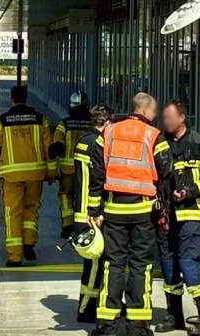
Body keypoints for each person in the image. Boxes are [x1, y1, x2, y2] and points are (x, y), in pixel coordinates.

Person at [89, 92, 174, 336]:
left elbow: (96, 174)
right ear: (145, 110)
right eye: (154, 112)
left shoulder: (108, 132)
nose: (155, 117)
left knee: (113, 265)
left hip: (114, 211)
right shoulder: (154, 135)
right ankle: (137, 325)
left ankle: (107, 325)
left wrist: (94, 209)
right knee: (141, 266)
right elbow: (167, 170)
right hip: (142, 212)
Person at [155, 99, 200, 336]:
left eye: (169, 117)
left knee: (188, 262)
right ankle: (174, 316)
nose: (165, 121)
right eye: (164, 117)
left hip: (190, 214)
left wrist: (190, 191)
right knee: (168, 265)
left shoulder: (198, 143)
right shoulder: (159, 142)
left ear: (182, 118)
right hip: (165, 216)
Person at [0, 85, 57, 266]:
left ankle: (15, 256)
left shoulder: (1, 122)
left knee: (13, 213)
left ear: (11, 99)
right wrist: (51, 172)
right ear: (27, 99)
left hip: (11, 176)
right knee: (31, 208)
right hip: (35, 174)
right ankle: (29, 245)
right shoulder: (41, 119)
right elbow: (50, 149)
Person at [72, 103, 114, 324]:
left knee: (91, 265)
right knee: (96, 266)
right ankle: (87, 309)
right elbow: (96, 182)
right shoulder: (98, 143)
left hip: (81, 213)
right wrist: (96, 212)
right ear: (107, 122)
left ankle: (86, 305)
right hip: (92, 215)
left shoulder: (82, 141)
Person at [51, 91, 92, 239]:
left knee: (65, 195)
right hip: (87, 169)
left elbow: (57, 146)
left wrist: (52, 170)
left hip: (67, 169)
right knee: (85, 197)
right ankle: (84, 225)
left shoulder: (64, 124)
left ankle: (68, 224)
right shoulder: (92, 124)